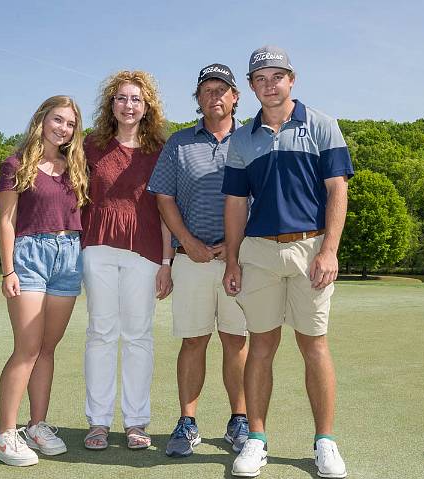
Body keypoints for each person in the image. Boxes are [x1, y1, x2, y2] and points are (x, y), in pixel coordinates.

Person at [222, 46, 354, 478]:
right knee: (261, 345)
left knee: (313, 344)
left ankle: (325, 442)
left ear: (291, 79)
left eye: (276, 76)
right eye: (260, 79)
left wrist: (330, 250)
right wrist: (233, 260)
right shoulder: (242, 138)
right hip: (258, 251)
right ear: (251, 86)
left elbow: (337, 190)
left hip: (310, 248)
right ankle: (256, 439)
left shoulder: (321, 125)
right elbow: (236, 204)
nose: (269, 85)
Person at [147, 63, 249, 458]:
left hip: (239, 260)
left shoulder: (253, 139)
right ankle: (187, 422)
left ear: (235, 96)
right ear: (198, 99)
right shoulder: (179, 143)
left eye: (222, 89)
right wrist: (187, 242)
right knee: (193, 340)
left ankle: (238, 419)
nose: (215, 96)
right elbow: (164, 197)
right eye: (206, 90)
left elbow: (263, 196)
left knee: (236, 340)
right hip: (192, 258)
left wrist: (236, 246)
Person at [0, 95, 89, 467]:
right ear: (41, 120)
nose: (63, 128)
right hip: (29, 255)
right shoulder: (16, 164)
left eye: (70, 124)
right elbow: (7, 222)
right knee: (27, 347)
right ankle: (4, 434)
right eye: (57, 120)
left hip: (69, 256)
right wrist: (8, 271)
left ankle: (36, 425)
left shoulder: (74, 168)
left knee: (48, 347)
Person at [81, 70, 173, 451]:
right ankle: (98, 422)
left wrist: (167, 262)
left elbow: (168, 208)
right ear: (111, 104)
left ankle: (136, 422)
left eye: (136, 99)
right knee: (101, 334)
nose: (128, 105)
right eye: (121, 98)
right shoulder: (90, 145)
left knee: (138, 337)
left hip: (146, 251)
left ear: (147, 105)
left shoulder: (161, 150)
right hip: (98, 247)